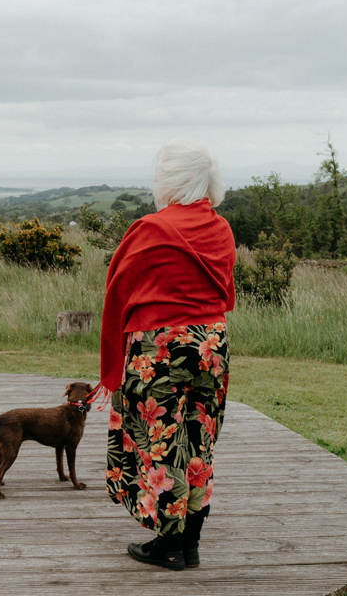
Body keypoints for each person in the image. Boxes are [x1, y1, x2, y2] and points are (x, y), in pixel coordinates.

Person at [100, 137, 236, 570]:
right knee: (199, 440)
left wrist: (110, 365)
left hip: (158, 349)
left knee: (161, 444)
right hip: (210, 345)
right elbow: (227, 294)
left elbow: (118, 296)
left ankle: (168, 545)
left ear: (169, 181)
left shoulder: (152, 228)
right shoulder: (222, 228)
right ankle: (191, 542)